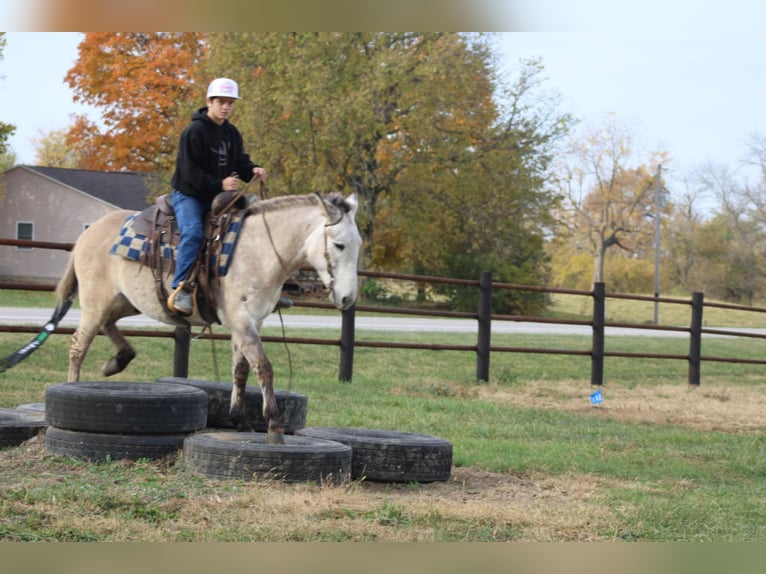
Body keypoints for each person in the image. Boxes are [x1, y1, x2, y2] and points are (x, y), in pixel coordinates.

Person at [167, 77, 268, 315]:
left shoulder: (231, 133)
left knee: (249, 229)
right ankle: (179, 287)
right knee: (192, 233)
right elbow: (189, 173)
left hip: (220, 198)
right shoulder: (194, 132)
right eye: (221, 101)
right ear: (209, 102)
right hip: (190, 195)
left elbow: (240, 161)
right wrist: (220, 183)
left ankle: (256, 287)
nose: (226, 107)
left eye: (230, 103)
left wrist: (252, 169)